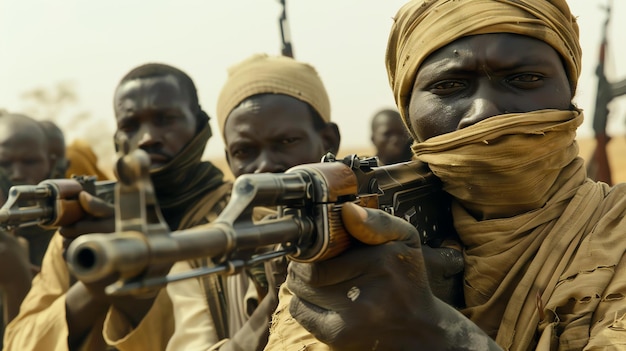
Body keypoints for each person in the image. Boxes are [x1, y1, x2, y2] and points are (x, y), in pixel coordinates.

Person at [265, 0, 626, 350]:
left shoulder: (616, 234)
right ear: (408, 113)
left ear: (569, 95)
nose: (484, 113)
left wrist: (430, 330)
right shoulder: (353, 254)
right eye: (448, 86)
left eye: (525, 78)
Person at [4, 63, 232, 351]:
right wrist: (93, 286)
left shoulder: (239, 216)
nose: (147, 137)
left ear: (200, 126)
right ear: (117, 139)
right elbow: (19, 343)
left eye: (166, 119)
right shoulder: (88, 227)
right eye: (130, 126)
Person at [159, 53, 341, 351]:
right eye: (245, 151)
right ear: (229, 158)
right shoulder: (201, 252)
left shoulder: (372, 215)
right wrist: (274, 298)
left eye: (286, 142)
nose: (265, 165)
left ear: (328, 141)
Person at [0, 113, 58, 347]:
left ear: (51, 164)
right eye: (4, 164)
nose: (17, 174)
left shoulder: (72, 234)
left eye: (30, 162)